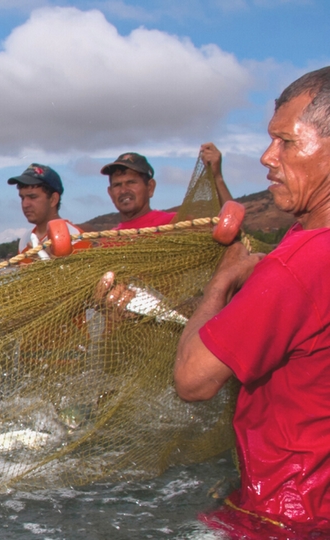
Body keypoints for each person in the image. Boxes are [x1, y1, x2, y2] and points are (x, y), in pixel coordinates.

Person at [174, 66, 330, 532]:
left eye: (287, 142)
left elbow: (193, 381)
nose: (267, 157)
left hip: (285, 514)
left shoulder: (297, 266)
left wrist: (220, 285)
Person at [101, 145, 232, 230]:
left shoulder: (177, 224)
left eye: (131, 182)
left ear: (150, 187)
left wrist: (217, 177)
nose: (124, 190)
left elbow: (232, 230)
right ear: (110, 193)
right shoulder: (106, 241)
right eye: (117, 185)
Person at [8, 164, 90, 261]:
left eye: (32, 197)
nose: (25, 204)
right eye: (22, 198)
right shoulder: (25, 240)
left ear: (53, 199)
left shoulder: (75, 238)